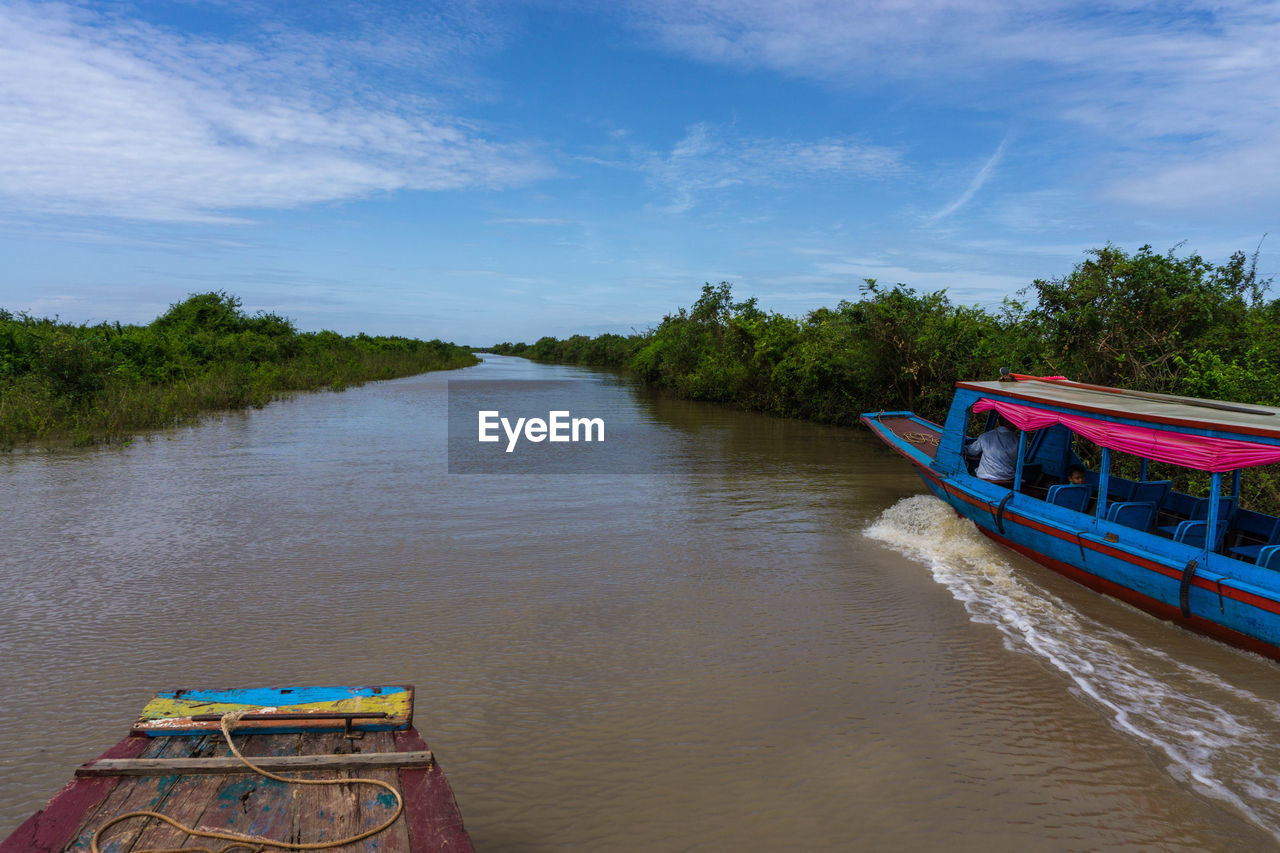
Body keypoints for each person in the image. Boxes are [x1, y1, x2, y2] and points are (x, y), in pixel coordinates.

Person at [965, 414, 1019, 484]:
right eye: (1014, 421)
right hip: (1008, 477)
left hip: (986, 476)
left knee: (970, 471)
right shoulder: (1018, 440)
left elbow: (972, 451)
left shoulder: (986, 436)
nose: (1017, 425)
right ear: (1006, 422)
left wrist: (963, 448)